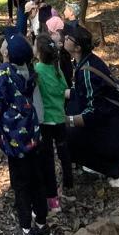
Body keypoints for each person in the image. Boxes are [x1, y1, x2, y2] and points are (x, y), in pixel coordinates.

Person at [0, 32, 52, 235]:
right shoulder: (29, 71)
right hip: (33, 134)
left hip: (16, 138)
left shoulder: (4, 73)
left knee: (21, 184)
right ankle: (42, 226)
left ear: (7, 53)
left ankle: (26, 232)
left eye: (5, 44)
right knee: (36, 179)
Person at [62, 22, 119, 187]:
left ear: (77, 48)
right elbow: (84, 93)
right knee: (70, 109)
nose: (64, 39)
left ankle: (117, 167)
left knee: (66, 137)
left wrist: (68, 120)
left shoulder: (87, 71)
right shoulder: (86, 62)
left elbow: (94, 112)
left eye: (68, 38)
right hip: (113, 125)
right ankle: (99, 162)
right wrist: (63, 94)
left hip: (115, 132)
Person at [32, 32, 74, 213]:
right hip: (59, 118)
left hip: (45, 122)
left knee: (48, 159)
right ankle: (69, 185)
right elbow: (65, 90)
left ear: (39, 52)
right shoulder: (56, 70)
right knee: (64, 152)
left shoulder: (38, 70)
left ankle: (52, 199)